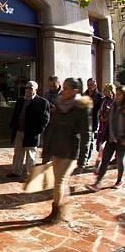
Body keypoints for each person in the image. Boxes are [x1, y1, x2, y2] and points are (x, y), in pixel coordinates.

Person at [42, 78, 91, 223]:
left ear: (75, 90)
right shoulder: (59, 103)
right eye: (62, 87)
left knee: (59, 182)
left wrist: (83, 159)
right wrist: (47, 149)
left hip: (71, 150)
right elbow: (52, 127)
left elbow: (86, 134)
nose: (63, 91)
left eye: (66, 88)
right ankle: (63, 208)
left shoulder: (82, 107)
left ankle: (55, 213)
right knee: (59, 181)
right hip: (57, 147)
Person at [7, 81, 50, 178]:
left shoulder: (42, 102)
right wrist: (13, 126)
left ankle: (30, 175)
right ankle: (16, 171)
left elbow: (45, 118)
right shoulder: (20, 100)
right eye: (26, 88)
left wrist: (39, 130)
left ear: (35, 89)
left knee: (31, 154)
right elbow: (16, 114)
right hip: (19, 131)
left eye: (30, 88)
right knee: (18, 153)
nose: (27, 90)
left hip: (32, 133)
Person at [87, 85, 124, 191]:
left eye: (119, 94)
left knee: (120, 161)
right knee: (105, 161)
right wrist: (104, 137)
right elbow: (109, 122)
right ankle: (97, 183)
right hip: (111, 138)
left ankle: (119, 180)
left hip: (122, 140)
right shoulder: (113, 106)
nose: (116, 96)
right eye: (116, 94)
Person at [80, 78, 104, 171]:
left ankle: (86, 159)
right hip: (83, 121)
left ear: (95, 85)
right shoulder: (84, 95)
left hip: (93, 121)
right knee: (83, 141)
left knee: (90, 141)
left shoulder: (99, 96)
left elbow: (99, 111)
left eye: (92, 84)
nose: (90, 86)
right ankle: (83, 158)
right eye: (88, 84)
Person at [92, 83, 115, 171]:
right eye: (104, 89)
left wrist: (107, 118)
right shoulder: (103, 100)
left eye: (106, 89)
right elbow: (99, 110)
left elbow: (113, 113)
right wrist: (101, 117)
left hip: (109, 126)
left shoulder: (114, 101)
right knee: (100, 145)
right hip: (102, 124)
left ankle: (99, 165)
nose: (104, 91)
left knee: (104, 146)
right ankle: (99, 163)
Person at [42, 76, 62, 163]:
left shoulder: (64, 94)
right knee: (47, 142)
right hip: (48, 122)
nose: (52, 88)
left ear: (59, 84)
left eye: (54, 86)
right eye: (50, 86)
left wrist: (57, 109)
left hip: (59, 123)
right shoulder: (47, 93)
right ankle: (46, 160)